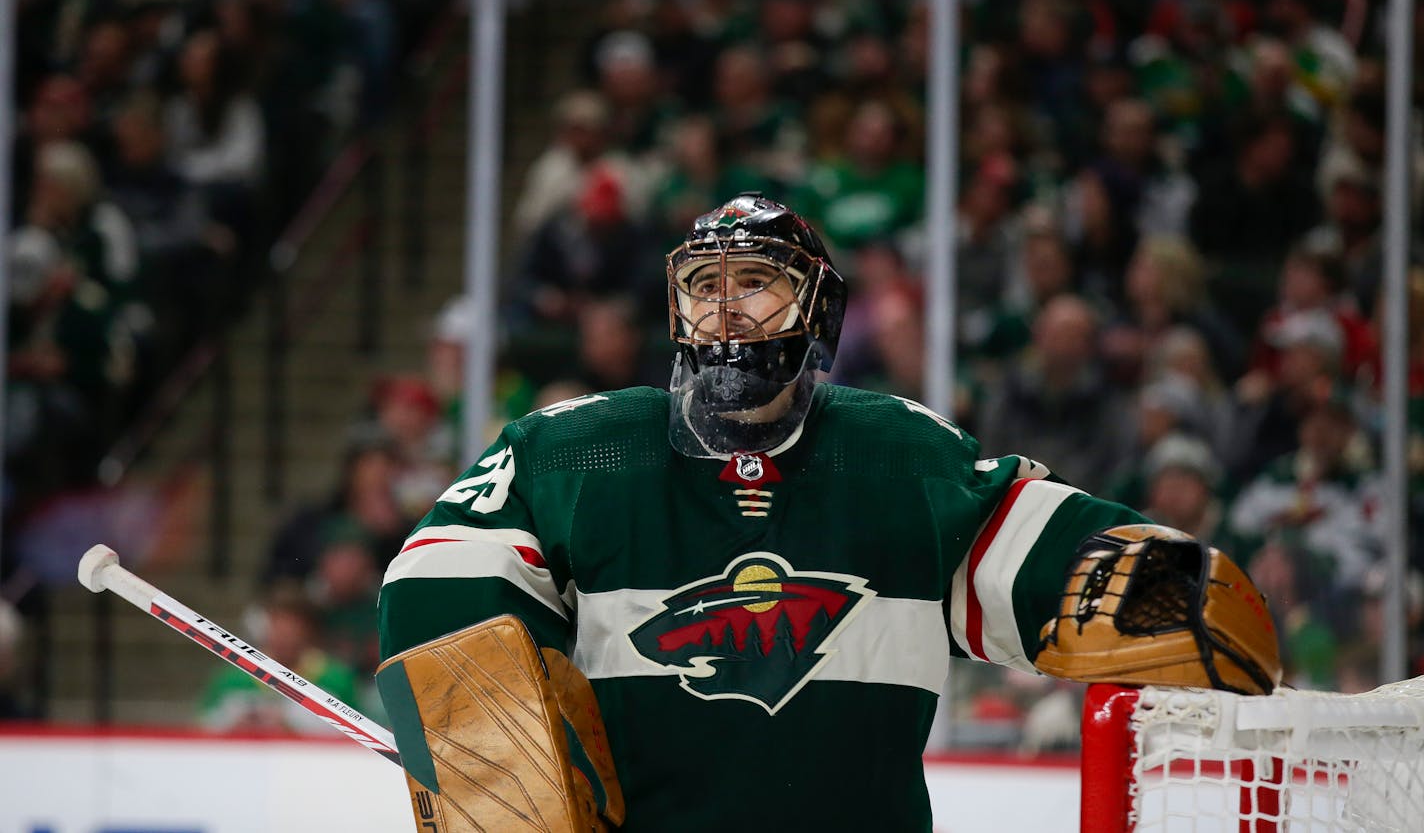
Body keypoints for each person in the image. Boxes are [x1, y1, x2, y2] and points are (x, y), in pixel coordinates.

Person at [376, 194, 1278, 832]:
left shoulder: (899, 456)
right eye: (704, 284)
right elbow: (434, 587)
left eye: (756, 281)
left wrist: (1137, 580)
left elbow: (1032, 556)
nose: (725, 308)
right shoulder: (579, 450)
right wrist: (488, 745)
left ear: (819, 307)